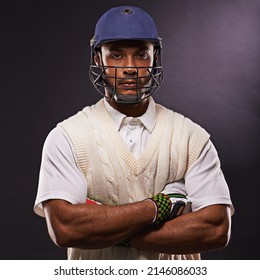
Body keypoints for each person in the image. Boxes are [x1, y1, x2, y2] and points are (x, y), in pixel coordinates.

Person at [34, 6, 234, 260]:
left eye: (141, 54)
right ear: (98, 58)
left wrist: (109, 225)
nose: (129, 67)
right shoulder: (67, 137)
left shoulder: (192, 138)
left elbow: (216, 229)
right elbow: (66, 228)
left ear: (155, 57)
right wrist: (161, 206)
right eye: (116, 55)